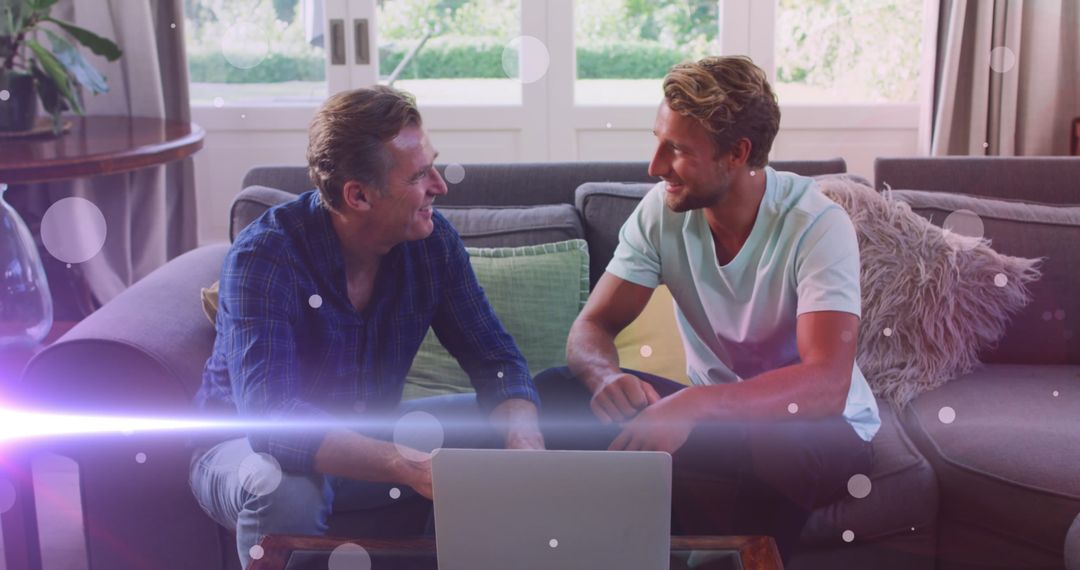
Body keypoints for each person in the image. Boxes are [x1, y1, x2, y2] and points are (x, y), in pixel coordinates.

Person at [536, 56, 880, 562]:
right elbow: (593, 326)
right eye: (658, 141)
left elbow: (826, 385)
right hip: (717, 425)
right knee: (554, 391)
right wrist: (604, 376)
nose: (655, 166)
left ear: (737, 153)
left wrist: (696, 405)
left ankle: (715, 552)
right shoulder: (661, 213)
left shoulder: (816, 226)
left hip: (822, 429)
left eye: (676, 149)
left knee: (780, 446)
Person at [189, 86, 544, 568]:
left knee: (534, 408)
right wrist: (405, 463)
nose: (439, 186)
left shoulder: (432, 243)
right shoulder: (266, 256)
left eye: (434, 165)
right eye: (418, 175)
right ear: (358, 195)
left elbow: (495, 360)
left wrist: (523, 440)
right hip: (243, 450)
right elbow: (272, 421)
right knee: (284, 485)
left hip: (369, 435)